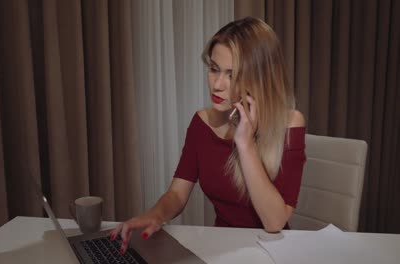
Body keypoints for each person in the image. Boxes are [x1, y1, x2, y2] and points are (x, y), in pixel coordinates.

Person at [109, 17, 306, 255]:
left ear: (260, 77)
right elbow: (177, 194)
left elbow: (274, 222)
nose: (217, 85)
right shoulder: (202, 123)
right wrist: (155, 215)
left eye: (232, 75)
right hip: (219, 249)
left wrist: (245, 145)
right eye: (214, 69)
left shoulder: (289, 123)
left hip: (272, 252)